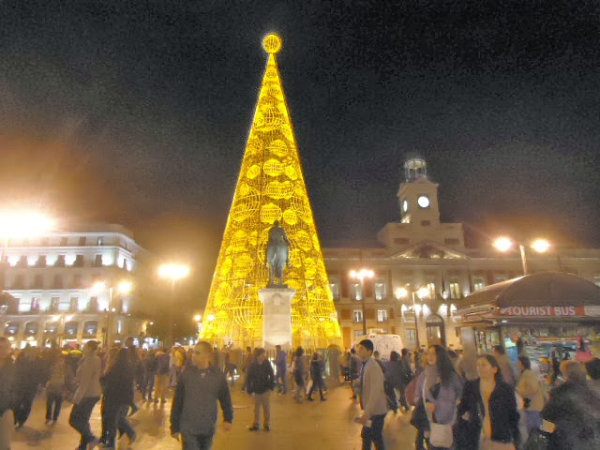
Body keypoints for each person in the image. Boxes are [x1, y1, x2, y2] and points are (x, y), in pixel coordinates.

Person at [171, 341, 233, 450]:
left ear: (208, 355)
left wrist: (228, 418)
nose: (193, 356)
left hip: (208, 427)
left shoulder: (217, 376)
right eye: (193, 352)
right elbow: (178, 401)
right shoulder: (186, 375)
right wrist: (174, 426)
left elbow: (225, 398)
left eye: (197, 353)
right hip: (189, 427)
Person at [455, 354, 520, 450]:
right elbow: (461, 410)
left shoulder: (505, 389)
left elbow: (513, 415)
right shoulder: (470, 387)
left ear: (494, 369)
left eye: (484, 365)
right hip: (478, 438)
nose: (480, 368)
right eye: (478, 365)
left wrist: (516, 440)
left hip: (501, 439)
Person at [411, 345, 463, 450]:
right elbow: (417, 396)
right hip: (431, 424)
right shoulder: (424, 376)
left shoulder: (451, 376)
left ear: (440, 356)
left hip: (450, 424)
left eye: (433, 354)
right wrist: (426, 405)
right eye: (428, 353)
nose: (430, 356)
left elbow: (461, 397)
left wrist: (442, 407)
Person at [541, 360, 600, 450]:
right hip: (590, 439)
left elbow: (547, 414)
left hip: (567, 438)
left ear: (566, 375)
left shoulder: (561, 392)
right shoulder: (592, 391)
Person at [69, 340, 102, 450]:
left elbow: (85, 382)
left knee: (74, 419)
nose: (83, 348)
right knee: (83, 420)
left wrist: (77, 398)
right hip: (93, 393)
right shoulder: (94, 359)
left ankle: (91, 438)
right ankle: (83, 445)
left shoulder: (89, 361)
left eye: (85, 346)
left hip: (87, 394)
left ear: (89, 348)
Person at [354, 339, 387, 450]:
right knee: (370, 437)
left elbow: (376, 391)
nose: (359, 350)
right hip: (372, 410)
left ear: (369, 351)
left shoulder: (373, 367)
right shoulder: (366, 365)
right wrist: (357, 382)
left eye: (362, 348)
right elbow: (364, 380)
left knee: (371, 436)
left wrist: (367, 412)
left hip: (376, 411)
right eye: (359, 347)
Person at [100, 348, 136, 448]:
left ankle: (112, 442)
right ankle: (128, 433)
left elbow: (105, 379)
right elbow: (130, 385)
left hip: (112, 396)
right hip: (122, 397)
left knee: (111, 419)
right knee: (117, 418)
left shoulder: (114, 366)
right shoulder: (129, 367)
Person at [246, 348, 275, 431]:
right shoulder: (253, 365)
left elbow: (272, 374)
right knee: (256, 408)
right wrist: (250, 390)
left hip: (265, 389)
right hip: (256, 389)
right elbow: (249, 378)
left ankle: (267, 424)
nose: (264, 356)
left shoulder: (266, 363)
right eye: (263, 354)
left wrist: (270, 385)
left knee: (266, 408)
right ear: (258, 356)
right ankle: (256, 424)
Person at [13, 346, 41, 428]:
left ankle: (22, 421)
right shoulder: (21, 361)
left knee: (27, 404)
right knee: (17, 403)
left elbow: (40, 374)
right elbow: (16, 371)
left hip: (31, 387)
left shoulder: (38, 363)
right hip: (20, 386)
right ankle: (15, 419)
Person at [515, 355, 544, 434]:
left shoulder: (528, 374)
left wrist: (520, 391)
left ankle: (536, 443)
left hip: (533, 405)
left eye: (518, 362)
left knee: (533, 427)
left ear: (522, 364)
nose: (516, 364)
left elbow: (533, 388)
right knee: (535, 425)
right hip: (531, 405)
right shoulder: (524, 373)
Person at [0, 337, 15, 450]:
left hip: (5, 410)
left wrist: (12, 403)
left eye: (6, 348)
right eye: (1, 347)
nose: (3, 351)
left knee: (4, 444)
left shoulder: (13, 367)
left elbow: (18, 387)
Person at [45, 351, 68, 424]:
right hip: (52, 387)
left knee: (58, 404)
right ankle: (49, 417)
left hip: (60, 388)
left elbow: (68, 378)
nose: (60, 361)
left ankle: (54, 418)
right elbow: (47, 376)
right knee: (49, 404)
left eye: (61, 360)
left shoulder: (66, 368)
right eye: (59, 360)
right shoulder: (52, 367)